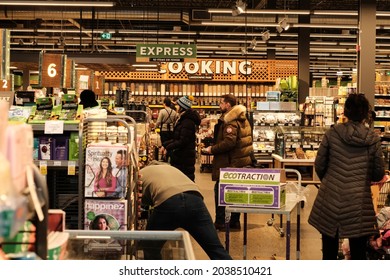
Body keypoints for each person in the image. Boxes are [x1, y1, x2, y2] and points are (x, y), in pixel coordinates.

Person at [308, 93, 385, 260]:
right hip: (359, 203)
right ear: (366, 113)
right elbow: (379, 173)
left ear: (345, 111)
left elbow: (319, 165)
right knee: (358, 254)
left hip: (330, 199)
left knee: (328, 252)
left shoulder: (332, 133)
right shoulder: (373, 138)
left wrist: (330, 180)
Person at [139, 161, 232, 260]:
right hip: (195, 200)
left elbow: (140, 202)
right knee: (215, 248)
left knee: (150, 247)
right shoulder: (171, 169)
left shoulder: (140, 173)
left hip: (168, 202)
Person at [202, 94, 253, 231]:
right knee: (236, 193)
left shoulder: (230, 121)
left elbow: (229, 142)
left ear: (228, 105)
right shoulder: (242, 118)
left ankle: (220, 222)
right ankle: (234, 221)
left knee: (220, 191)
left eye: (221, 103)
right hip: (239, 161)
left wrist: (212, 149)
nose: (220, 105)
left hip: (230, 162)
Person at [162, 96, 201, 181]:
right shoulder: (183, 119)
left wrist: (168, 147)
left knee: (185, 182)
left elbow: (183, 141)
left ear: (182, 107)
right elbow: (177, 138)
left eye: (177, 105)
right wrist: (165, 145)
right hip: (181, 157)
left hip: (184, 158)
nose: (175, 107)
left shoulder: (187, 122)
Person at [155, 97, 178, 161]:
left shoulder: (162, 111)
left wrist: (155, 127)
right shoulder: (174, 112)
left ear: (164, 103)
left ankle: (163, 157)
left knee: (164, 144)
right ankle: (168, 156)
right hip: (171, 130)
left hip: (164, 130)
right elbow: (176, 121)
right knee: (170, 144)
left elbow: (158, 121)